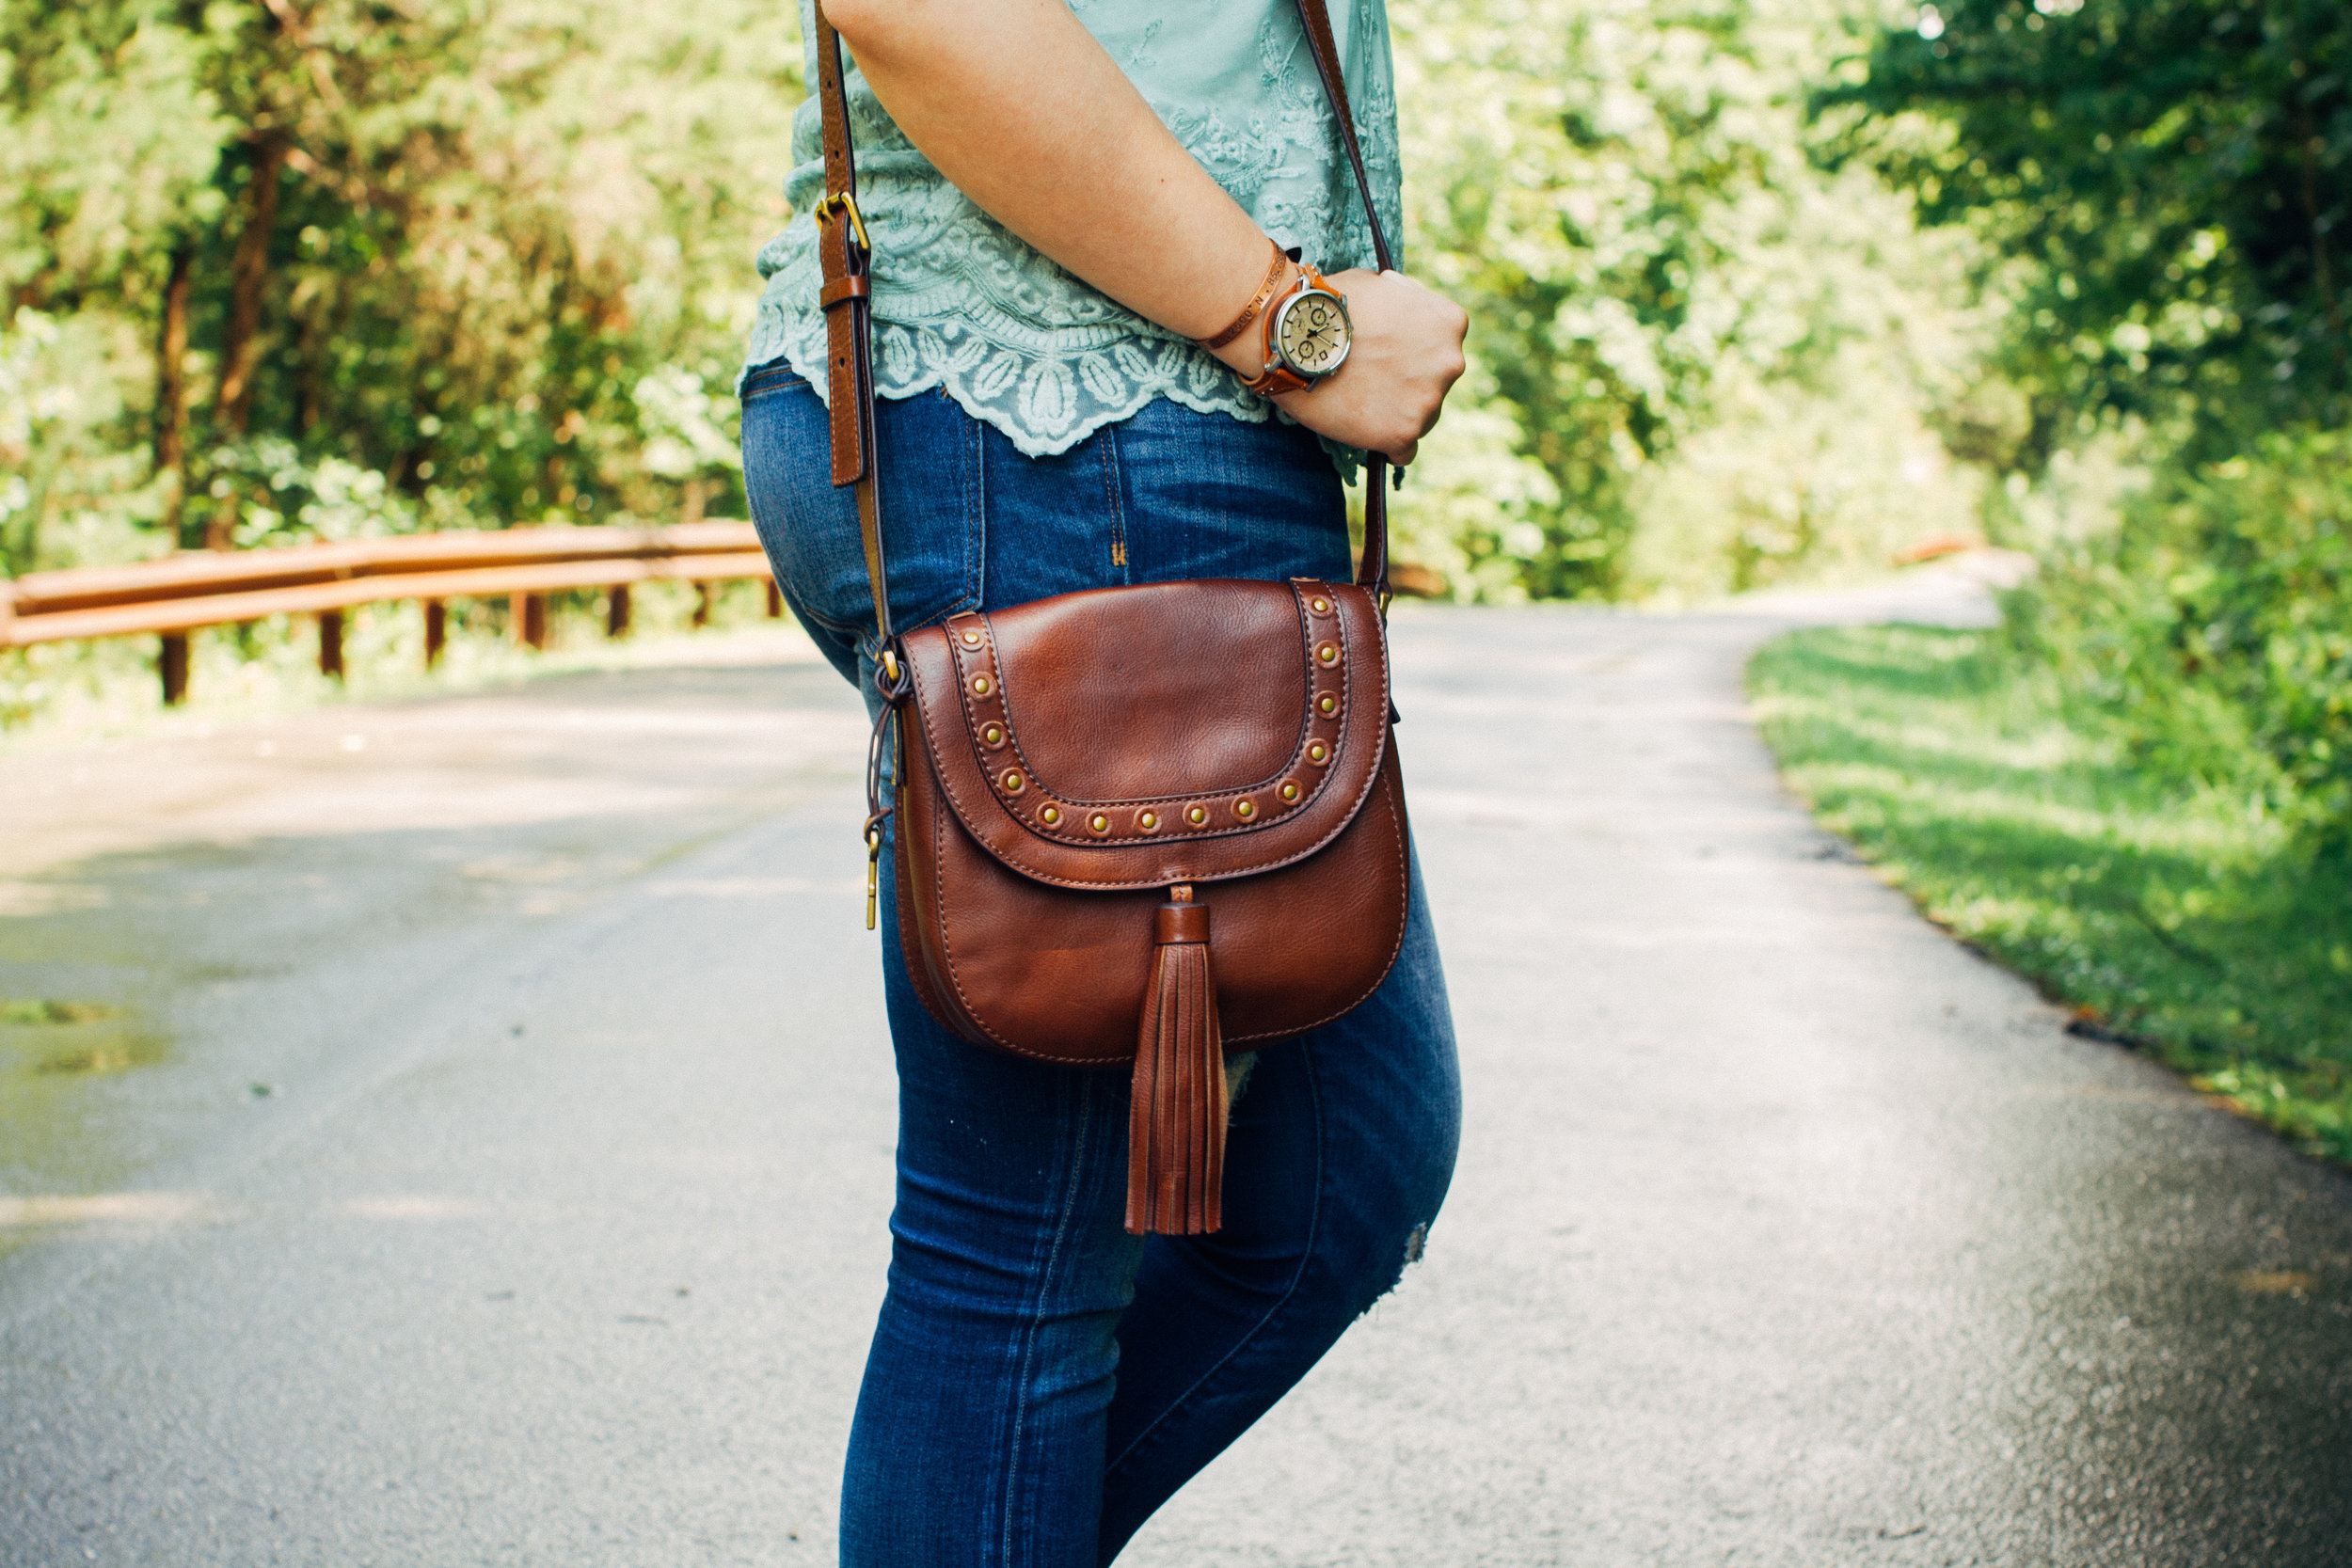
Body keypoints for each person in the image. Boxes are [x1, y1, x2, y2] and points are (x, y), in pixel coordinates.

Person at [738, 2, 1467, 1561]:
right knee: (1019, 1260)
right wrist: (1297, 326)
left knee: (1349, 1168)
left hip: (1126, 427)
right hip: (1070, 418)